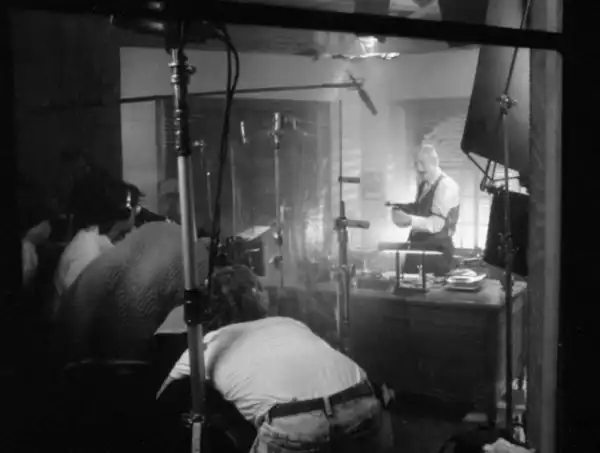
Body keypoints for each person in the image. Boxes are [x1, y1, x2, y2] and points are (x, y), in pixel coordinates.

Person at [159, 316, 394, 453]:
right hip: (361, 400)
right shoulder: (287, 322)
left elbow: (163, 398)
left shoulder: (204, 346)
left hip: (294, 422)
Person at [391, 144, 460, 276]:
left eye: (422, 163)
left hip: (436, 253)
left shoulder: (446, 186)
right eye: (416, 163)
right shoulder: (424, 184)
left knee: (431, 288)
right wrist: (401, 208)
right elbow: (421, 209)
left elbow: (436, 224)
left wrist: (409, 219)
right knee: (407, 286)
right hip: (418, 250)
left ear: (435, 162)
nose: (418, 168)